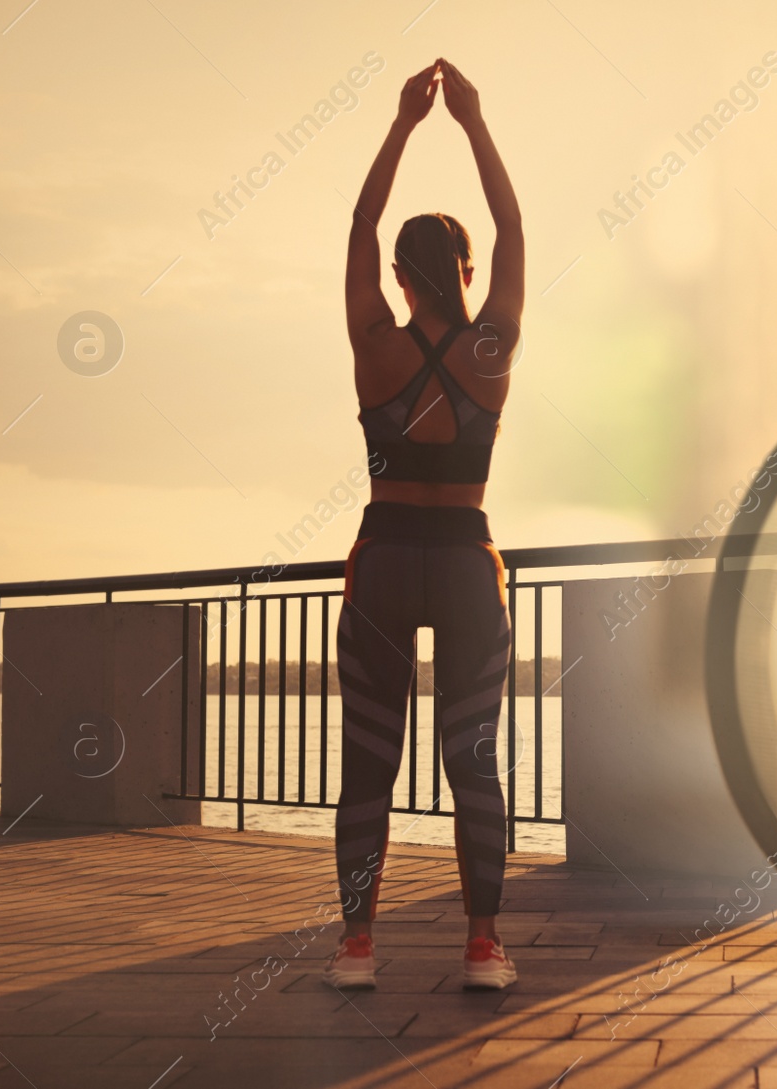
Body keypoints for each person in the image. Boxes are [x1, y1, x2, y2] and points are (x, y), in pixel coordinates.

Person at [323, 57, 523, 993]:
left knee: (370, 756)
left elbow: (360, 224)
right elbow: (516, 225)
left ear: (399, 276)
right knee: (471, 759)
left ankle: (356, 947)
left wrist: (405, 126)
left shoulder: (375, 344)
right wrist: (474, 124)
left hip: (387, 556)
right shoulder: (492, 348)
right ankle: (483, 946)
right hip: (465, 560)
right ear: (469, 272)